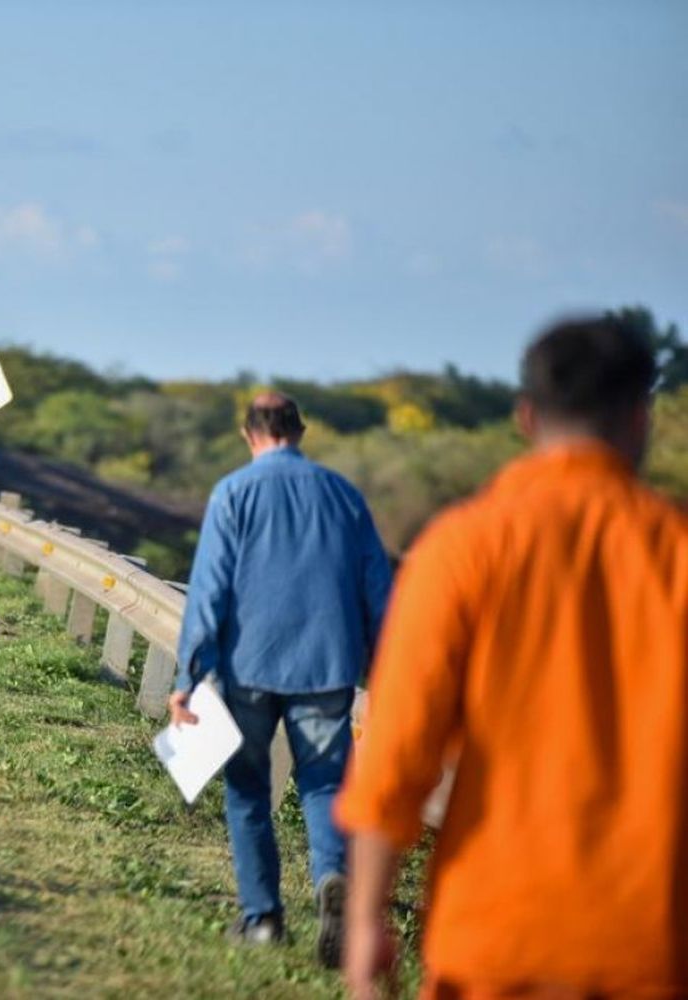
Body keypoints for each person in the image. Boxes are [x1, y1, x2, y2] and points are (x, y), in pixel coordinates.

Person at [336, 317, 688, 999]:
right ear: (640, 418)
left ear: (526, 416)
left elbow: (396, 753)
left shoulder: (463, 549)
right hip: (653, 948)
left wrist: (366, 918)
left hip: (495, 942)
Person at [169, 391, 392, 969]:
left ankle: (263, 918)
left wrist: (190, 673)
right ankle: (333, 877)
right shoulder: (344, 496)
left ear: (250, 435)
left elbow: (210, 588)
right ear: (301, 431)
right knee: (324, 784)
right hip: (326, 666)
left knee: (248, 789)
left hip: (249, 667)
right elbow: (379, 590)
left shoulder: (233, 493)